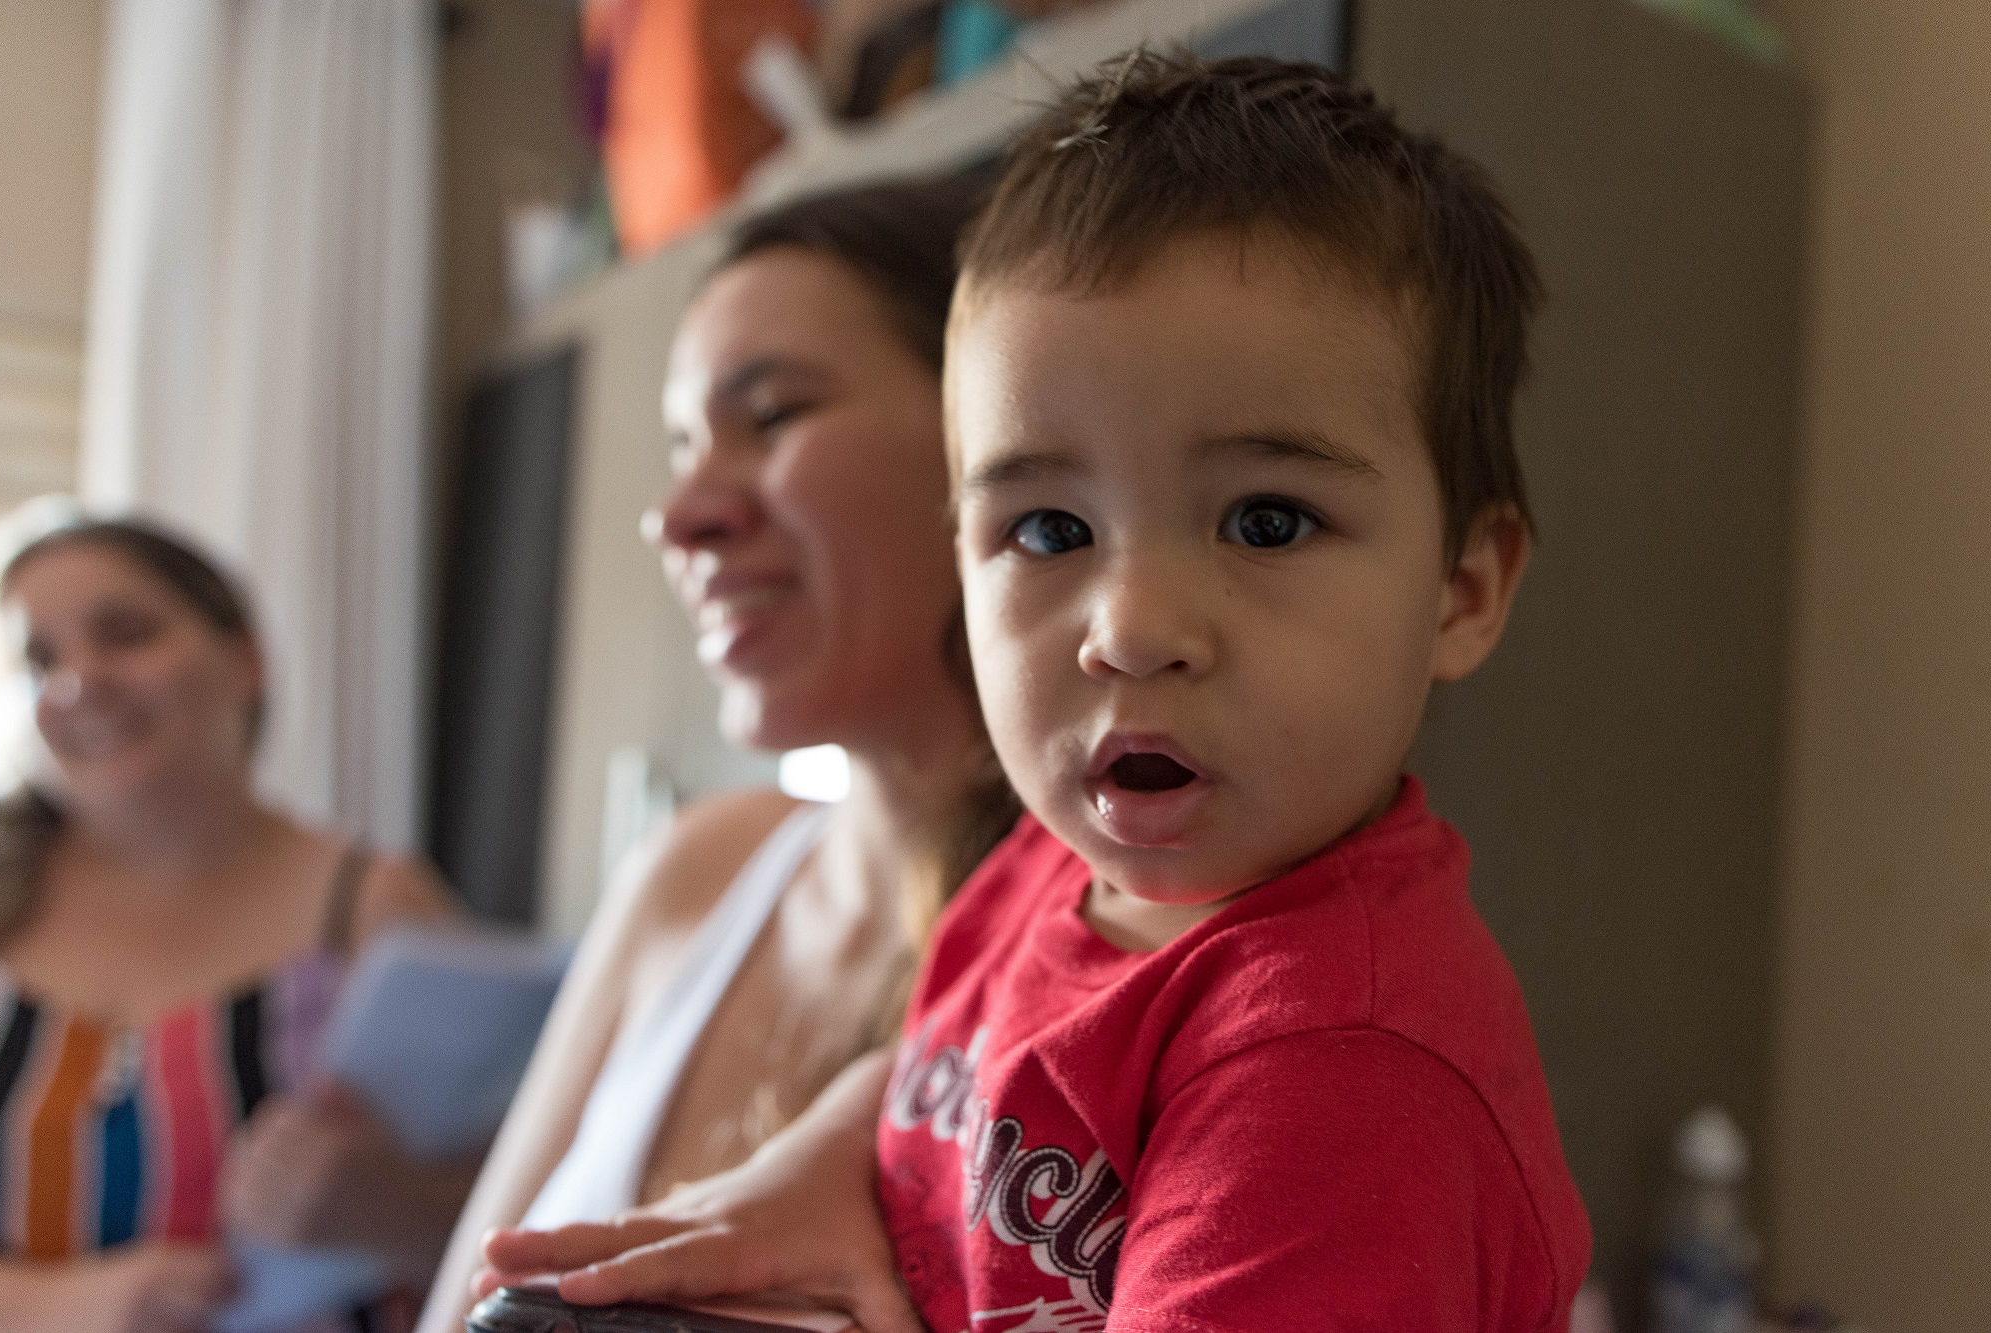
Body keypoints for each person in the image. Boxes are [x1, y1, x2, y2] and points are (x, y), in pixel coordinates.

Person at [478, 51, 1594, 1332]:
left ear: (1461, 588)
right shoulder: (1048, 874)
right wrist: (820, 1162)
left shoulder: (1337, 1070)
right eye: (1051, 532)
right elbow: (951, 1064)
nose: (1128, 630)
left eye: (1266, 520)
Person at [414, 178, 1017, 1333]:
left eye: (776, 414)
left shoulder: (1109, 958)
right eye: (685, 444)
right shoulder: (695, 871)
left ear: (993, 439)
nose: (678, 513)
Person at [0, 517, 474, 1332]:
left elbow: (534, 1210)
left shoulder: (375, 905)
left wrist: (397, 1208)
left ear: (244, 661)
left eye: (127, 633)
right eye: (42, 660)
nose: (79, 682)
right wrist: (63, 1305)